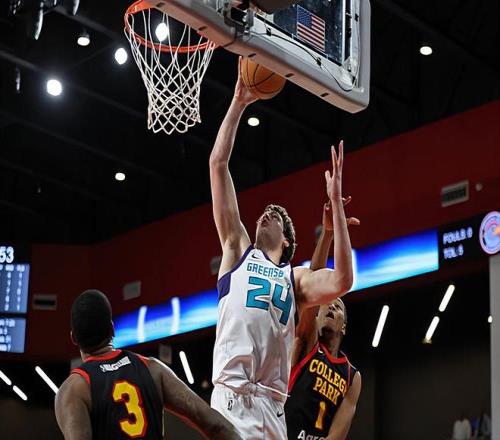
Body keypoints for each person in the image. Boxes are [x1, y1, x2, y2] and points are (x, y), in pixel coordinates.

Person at [209, 59, 354, 439]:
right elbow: (218, 164)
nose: (266, 214)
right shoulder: (236, 249)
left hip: (273, 408)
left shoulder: (295, 280)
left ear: (287, 241)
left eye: (276, 214)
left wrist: (337, 207)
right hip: (233, 396)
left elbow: (343, 280)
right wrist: (238, 102)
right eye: (264, 213)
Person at [55, 289, 240, 440]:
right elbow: (216, 425)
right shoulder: (152, 368)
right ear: (112, 328)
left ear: (74, 338)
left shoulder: (73, 390)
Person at [285, 201, 361, 440]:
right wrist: (327, 233)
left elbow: (338, 433)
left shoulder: (352, 376)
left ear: (344, 326)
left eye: (338, 308)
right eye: (327, 305)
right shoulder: (307, 342)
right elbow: (312, 281)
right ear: (315, 317)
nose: (332, 308)